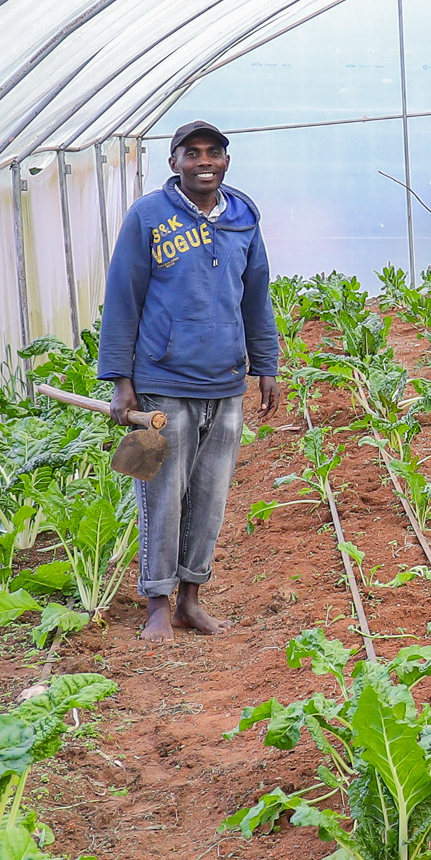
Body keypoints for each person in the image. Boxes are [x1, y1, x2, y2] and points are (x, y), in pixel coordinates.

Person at [98, 117, 280, 639]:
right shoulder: (149, 216)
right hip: (162, 382)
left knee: (210, 494)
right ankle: (157, 601)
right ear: (174, 161)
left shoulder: (243, 218)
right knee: (159, 491)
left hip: (225, 383)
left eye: (214, 153)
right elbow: (123, 296)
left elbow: (256, 296)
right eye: (192, 153)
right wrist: (120, 379)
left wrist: (264, 365)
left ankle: (191, 599)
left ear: (226, 160)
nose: (205, 162)